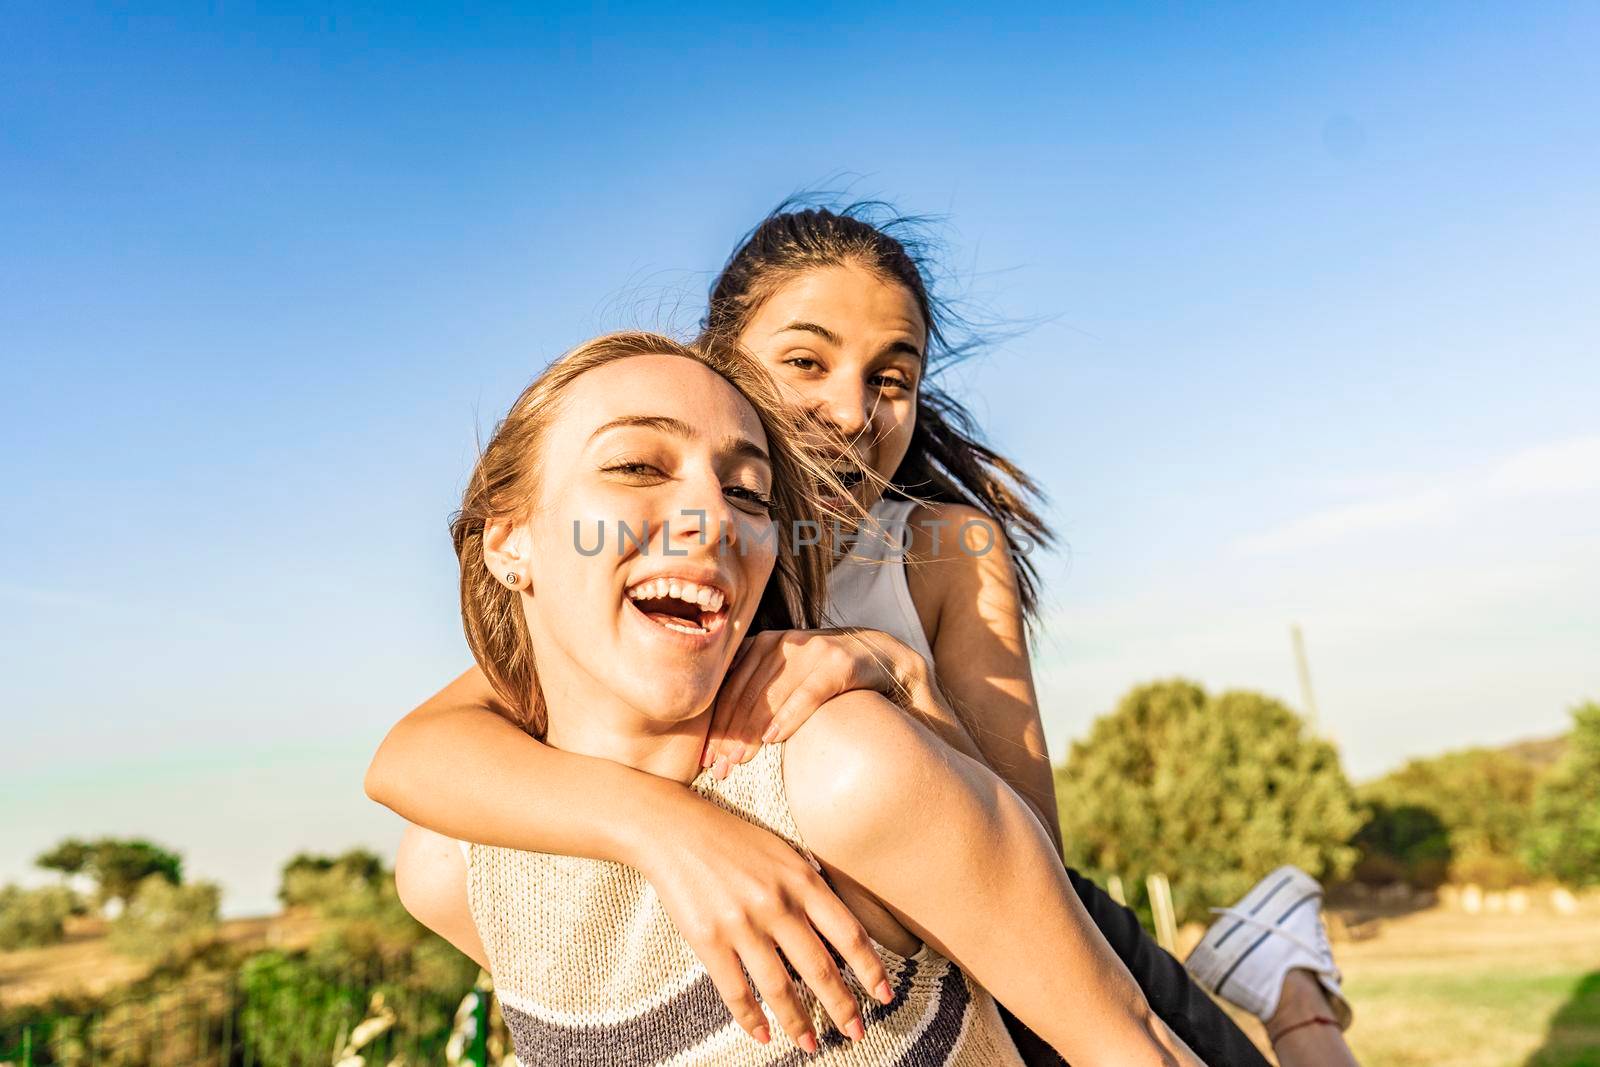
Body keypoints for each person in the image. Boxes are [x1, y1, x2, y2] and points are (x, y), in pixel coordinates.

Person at [367, 203, 1357, 1065]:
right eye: (806, 360)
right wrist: (667, 829)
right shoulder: (670, 566)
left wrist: (894, 677)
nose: (852, 408)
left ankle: (1293, 991)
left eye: (893, 375)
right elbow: (419, 754)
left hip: (1023, 938)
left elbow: (1024, 849)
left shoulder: (941, 545)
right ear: (715, 368)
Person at [392, 330, 1203, 1065]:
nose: (713, 516)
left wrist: (911, 683)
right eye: (637, 466)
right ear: (507, 541)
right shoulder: (455, 868)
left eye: (748, 493)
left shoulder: (847, 773)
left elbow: (1127, 1044)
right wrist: (662, 828)